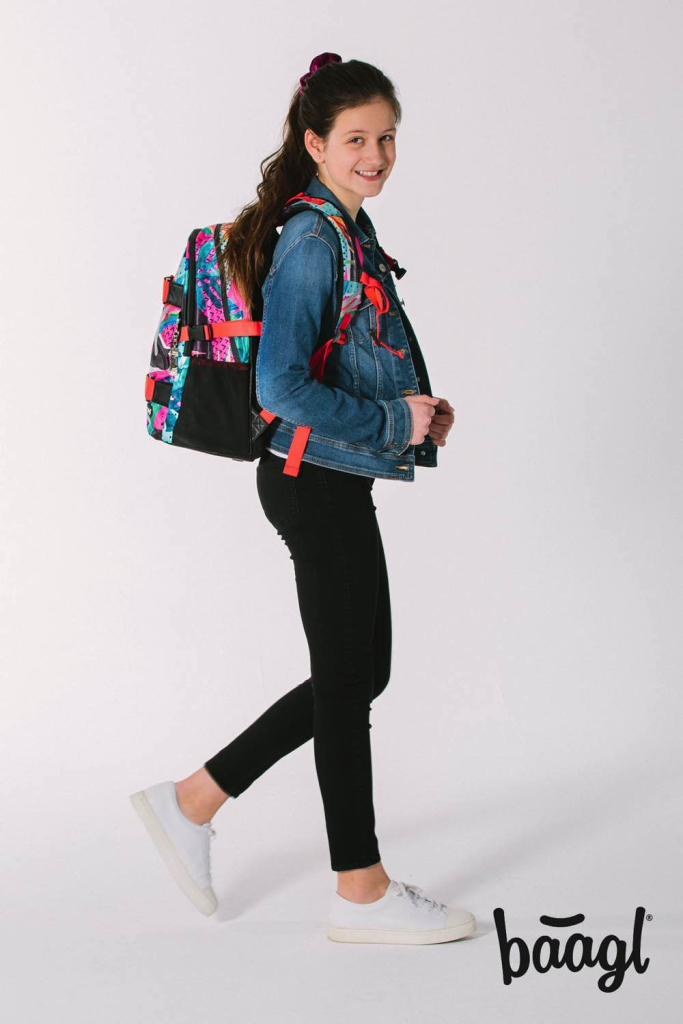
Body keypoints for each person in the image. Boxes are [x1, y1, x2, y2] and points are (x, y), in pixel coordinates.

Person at [130, 53, 476, 946]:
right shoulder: (315, 240)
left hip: (329, 477)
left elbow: (343, 364)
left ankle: (191, 800)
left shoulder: (347, 231)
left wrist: (413, 418)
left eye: (386, 137)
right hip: (307, 482)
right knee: (350, 686)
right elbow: (281, 386)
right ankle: (360, 892)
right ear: (315, 143)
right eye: (355, 139)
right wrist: (388, 420)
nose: (376, 155)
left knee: (359, 674)